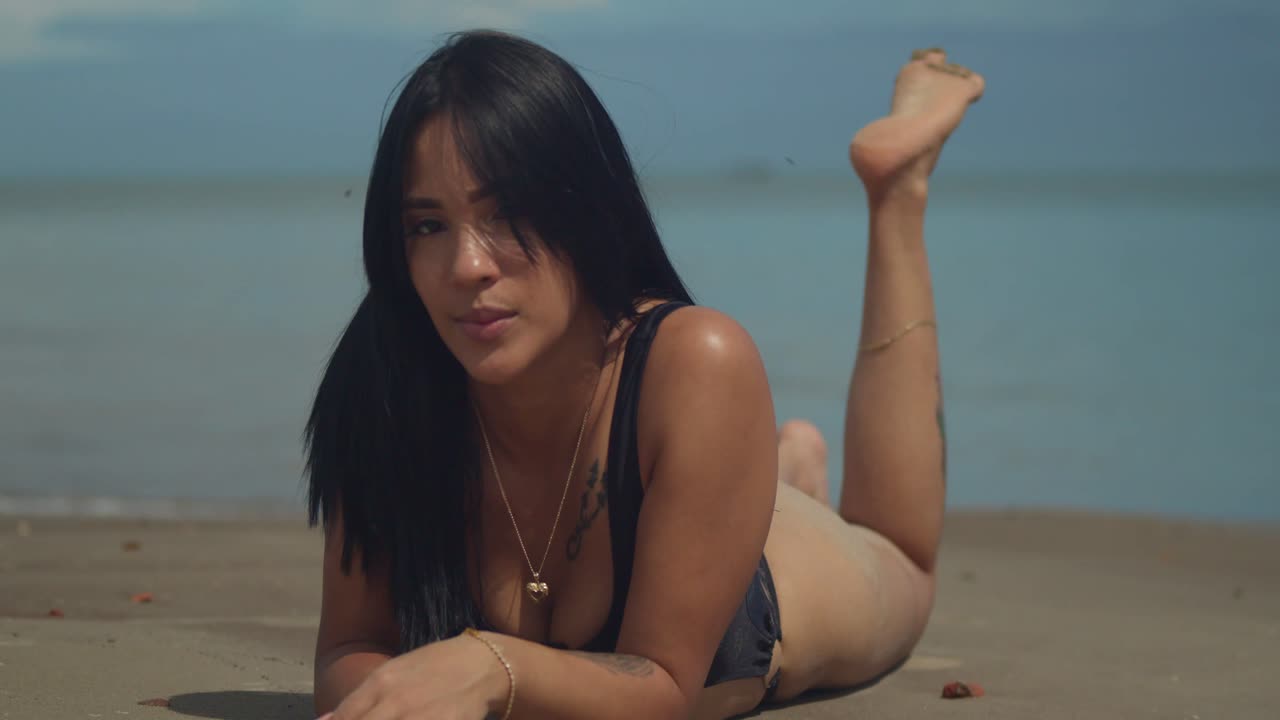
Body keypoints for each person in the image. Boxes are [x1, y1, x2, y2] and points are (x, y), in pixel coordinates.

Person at [305, 30, 983, 720]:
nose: (466, 267)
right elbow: (350, 646)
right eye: (427, 227)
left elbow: (661, 690)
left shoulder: (696, 363)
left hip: (781, 575)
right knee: (735, 487)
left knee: (900, 557)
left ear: (585, 205)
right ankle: (784, 467)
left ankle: (897, 190)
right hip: (697, 494)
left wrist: (490, 665)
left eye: (505, 214)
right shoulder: (387, 382)